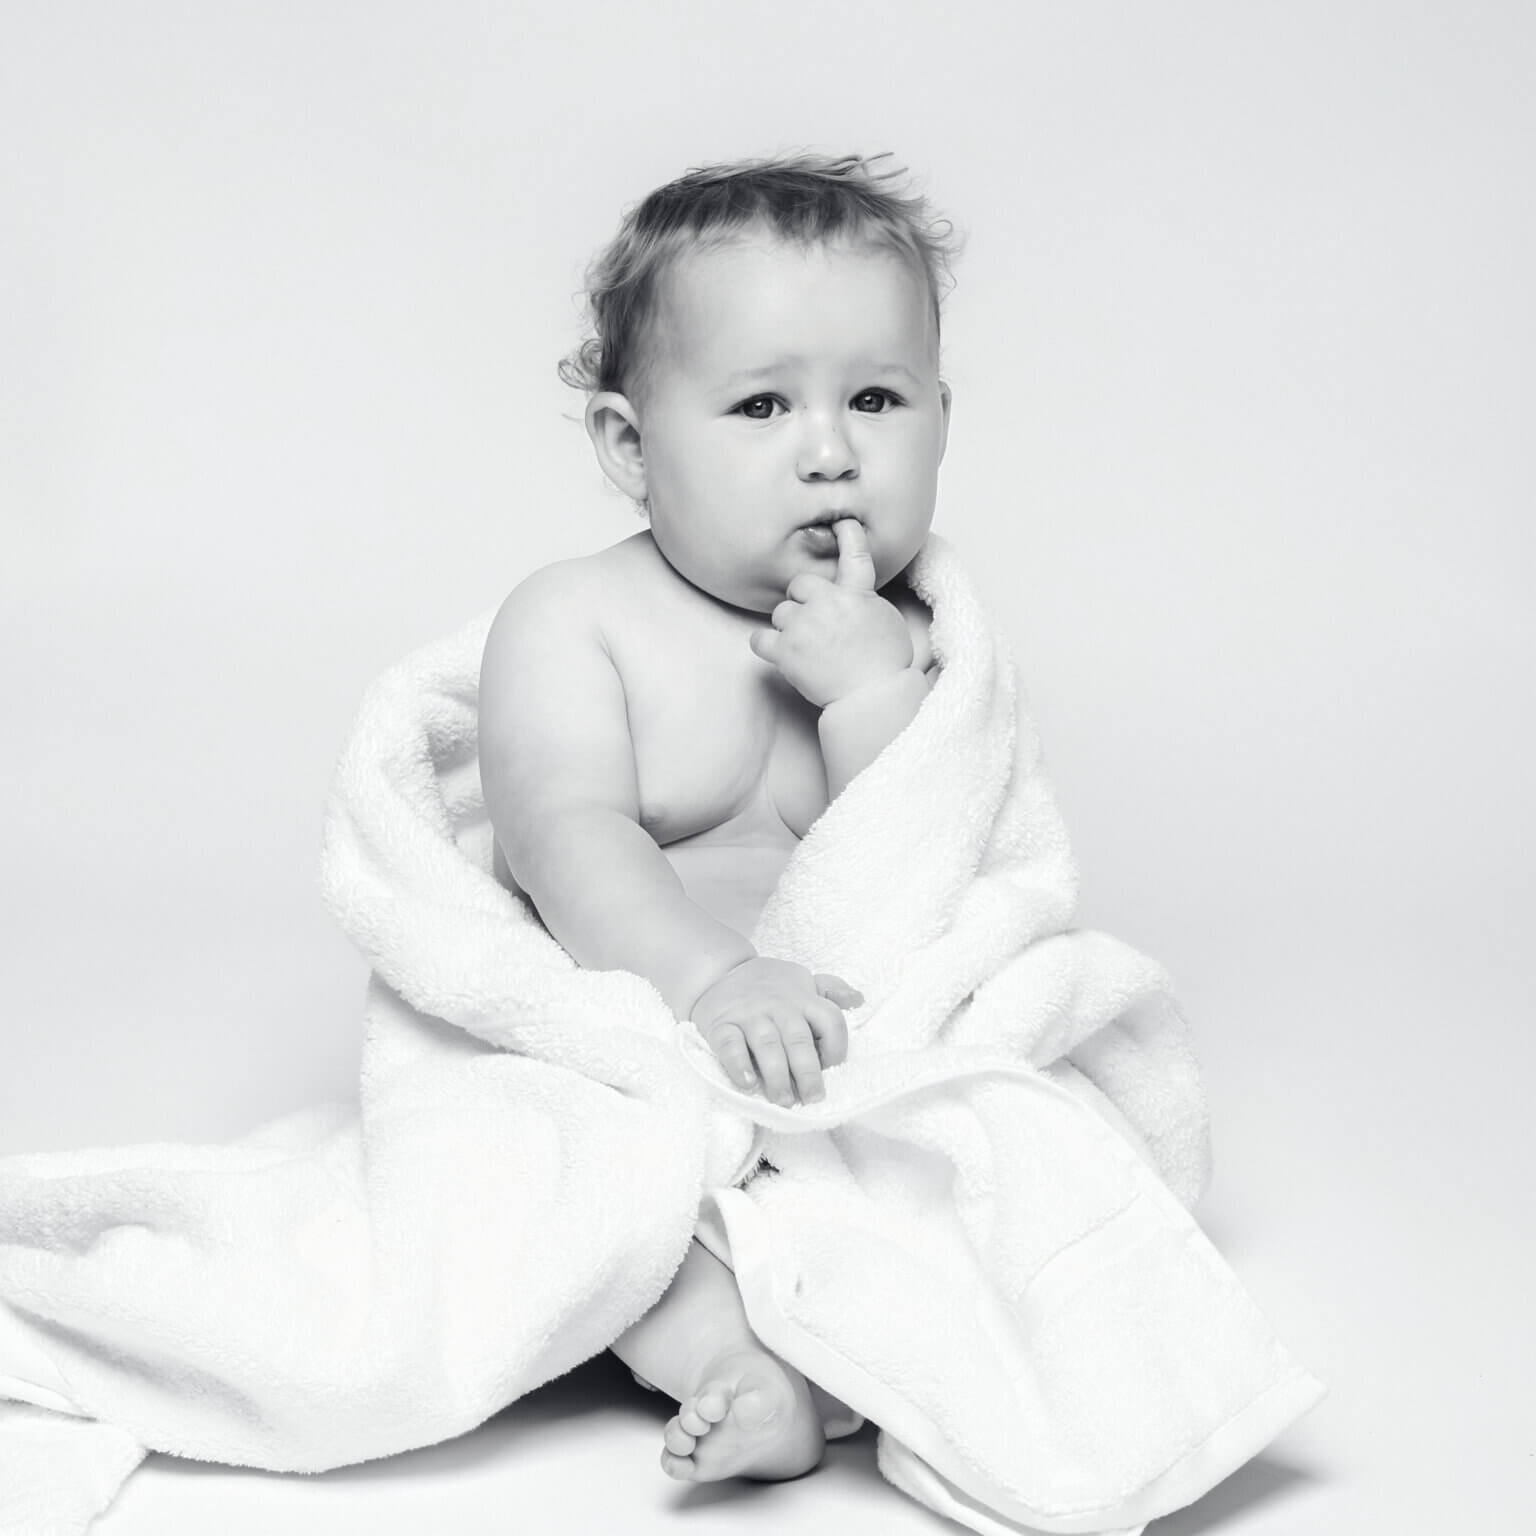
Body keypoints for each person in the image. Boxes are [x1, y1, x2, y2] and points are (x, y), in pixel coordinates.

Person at [477, 152, 956, 1486]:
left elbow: (933, 861)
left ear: (943, 418)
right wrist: (714, 979)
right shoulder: (577, 621)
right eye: (760, 404)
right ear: (631, 446)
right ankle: (735, 1368)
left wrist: (872, 698)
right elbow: (564, 840)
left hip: (844, 1061)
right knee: (579, 1176)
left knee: (992, 1145)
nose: (831, 450)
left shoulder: (919, 642)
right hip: (640, 1029)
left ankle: (937, 1331)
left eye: (876, 398)